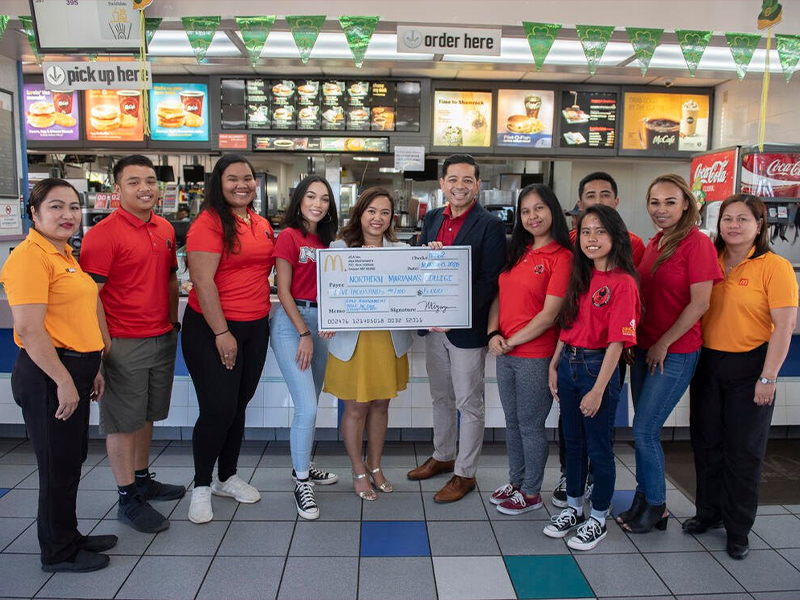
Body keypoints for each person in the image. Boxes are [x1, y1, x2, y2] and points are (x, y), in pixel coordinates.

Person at [1, 179, 113, 572]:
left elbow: (76, 315)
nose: (67, 215)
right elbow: (31, 330)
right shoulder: (30, 257)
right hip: (48, 374)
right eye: (55, 207)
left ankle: (70, 535)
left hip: (75, 368)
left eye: (73, 207)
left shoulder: (64, 253)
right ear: (34, 213)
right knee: (56, 465)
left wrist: (93, 365)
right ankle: (57, 551)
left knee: (71, 458)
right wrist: (64, 380)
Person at [685, 194, 797, 560]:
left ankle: (738, 529)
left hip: (751, 367)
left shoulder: (773, 266)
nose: (733, 225)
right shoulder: (710, 259)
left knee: (744, 452)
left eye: (742, 219)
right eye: (727, 219)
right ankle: (708, 513)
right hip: (707, 364)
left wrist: (769, 377)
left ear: (759, 225)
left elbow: (784, 327)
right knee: (706, 444)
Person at [80, 155, 185, 535]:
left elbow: (172, 279)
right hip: (123, 342)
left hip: (161, 336)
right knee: (123, 424)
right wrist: (102, 348)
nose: (145, 188)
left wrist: (172, 323)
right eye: (134, 182)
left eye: (151, 181)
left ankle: (142, 480)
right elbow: (90, 296)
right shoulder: (102, 234)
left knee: (146, 416)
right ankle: (127, 499)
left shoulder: (165, 228)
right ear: (117, 189)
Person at [618, 174, 721, 534]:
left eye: (670, 202)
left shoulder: (698, 244)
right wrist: (634, 341)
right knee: (641, 429)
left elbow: (701, 303)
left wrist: (663, 343)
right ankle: (643, 500)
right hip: (644, 349)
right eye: (655, 202)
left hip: (675, 352)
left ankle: (658, 505)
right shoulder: (656, 243)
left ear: (687, 205)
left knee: (646, 430)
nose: (661, 210)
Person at [407, 154, 506, 504]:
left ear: (478, 184)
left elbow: (489, 281)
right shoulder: (432, 218)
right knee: (440, 397)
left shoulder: (490, 225)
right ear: (442, 184)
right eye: (453, 179)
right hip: (433, 327)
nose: (460, 186)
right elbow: (420, 267)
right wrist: (427, 253)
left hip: (466, 330)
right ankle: (443, 454)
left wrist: (457, 315)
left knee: (469, 402)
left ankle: (465, 473)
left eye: (467, 180)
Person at [182, 155, 276, 523]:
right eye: (233, 178)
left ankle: (227, 477)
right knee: (217, 409)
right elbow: (203, 283)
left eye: (248, 178)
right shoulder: (207, 223)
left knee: (238, 407)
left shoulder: (260, 222)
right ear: (218, 183)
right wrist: (222, 332)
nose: (242, 184)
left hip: (255, 328)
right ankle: (202, 486)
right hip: (212, 328)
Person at [545, 204, 640, 551]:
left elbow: (618, 341)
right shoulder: (580, 275)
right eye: (586, 232)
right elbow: (568, 325)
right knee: (572, 443)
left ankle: (598, 516)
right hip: (569, 365)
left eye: (600, 231)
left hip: (597, 368)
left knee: (599, 449)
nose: (592, 239)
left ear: (615, 236)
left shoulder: (624, 283)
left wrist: (599, 389)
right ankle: (573, 507)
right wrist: (554, 363)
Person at [487, 184, 572, 515]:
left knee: (530, 424)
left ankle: (532, 491)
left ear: (552, 210)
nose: (532, 216)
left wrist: (511, 341)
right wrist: (494, 332)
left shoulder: (562, 257)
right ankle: (517, 481)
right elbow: (499, 295)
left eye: (539, 208)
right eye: (525, 211)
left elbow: (550, 315)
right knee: (512, 421)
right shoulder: (517, 251)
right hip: (506, 352)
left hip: (535, 355)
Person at [323, 187, 412, 501]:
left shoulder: (403, 252)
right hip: (354, 340)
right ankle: (358, 469)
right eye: (371, 211)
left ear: (392, 218)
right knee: (356, 406)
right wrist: (328, 318)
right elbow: (329, 293)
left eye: (385, 212)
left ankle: (376, 466)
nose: (378, 218)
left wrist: (436, 253)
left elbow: (421, 287)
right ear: (359, 213)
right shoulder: (337, 248)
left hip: (387, 340)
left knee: (381, 404)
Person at [270, 175, 340, 520]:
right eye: (311, 196)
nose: (317, 203)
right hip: (292, 324)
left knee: (313, 399)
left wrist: (329, 319)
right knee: (307, 408)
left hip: (320, 325)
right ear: (299, 200)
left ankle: (305, 465)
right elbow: (282, 291)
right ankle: (301, 482)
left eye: (324, 199)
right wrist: (304, 333)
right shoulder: (288, 236)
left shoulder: (328, 240)